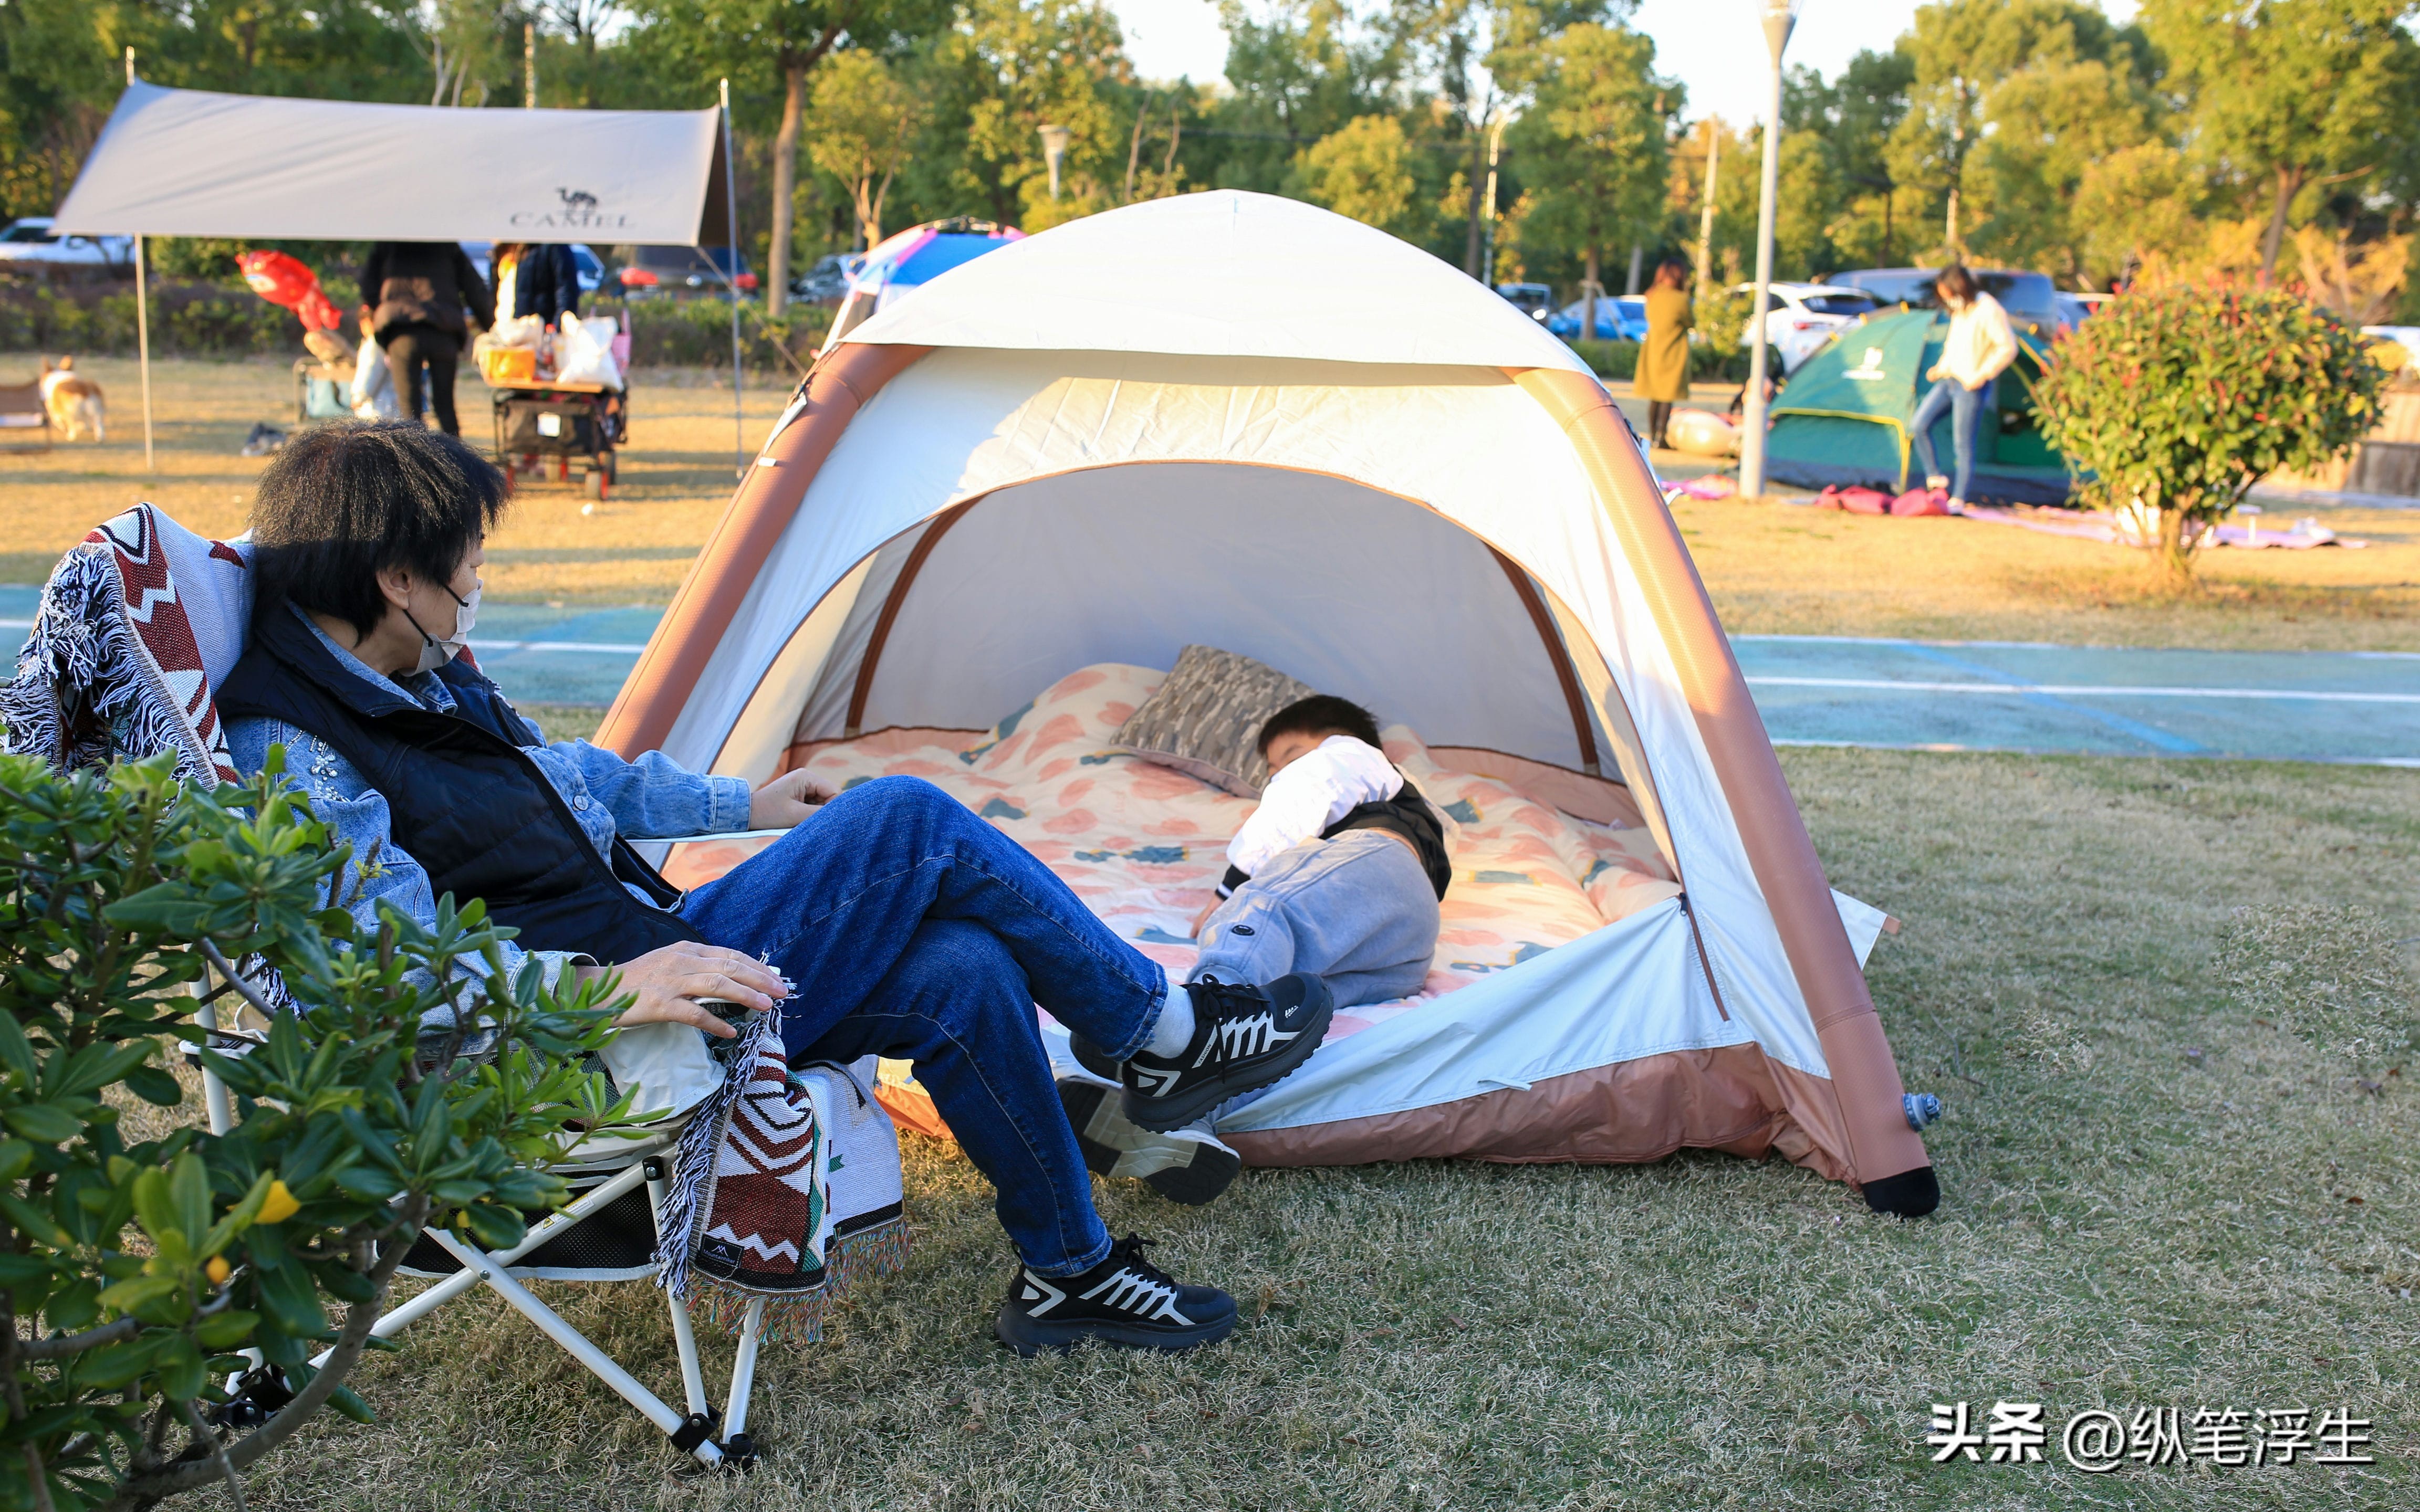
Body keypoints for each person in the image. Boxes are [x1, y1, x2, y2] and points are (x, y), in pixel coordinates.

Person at [215, 420, 1337, 1357]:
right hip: (581, 1044)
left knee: (965, 968)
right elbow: (389, 973)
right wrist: (600, 994)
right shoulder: (300, 753)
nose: (474, 590)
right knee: (903, 819)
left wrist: (739, 806)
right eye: (463, 568)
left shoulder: (405, 677)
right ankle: (1161, 1032)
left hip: (642, 963)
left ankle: (1069, 1271)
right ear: (394, 578)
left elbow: (559, 778)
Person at [1061, 695, 1449, 1203]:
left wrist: (1229, 889)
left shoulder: (1349, 757)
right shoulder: (1416, 822)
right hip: (1402, 952)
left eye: (1285, 758)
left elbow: (1304, 794)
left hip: (1378, 865)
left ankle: (1174, 1029)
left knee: (1262, 907)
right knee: (1267, 1020)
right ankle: (1190, 1123)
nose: (1276, 779)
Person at [1912, 264, 2017, 513]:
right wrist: (1940, 367)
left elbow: (2008, 348)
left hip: (1970, 385)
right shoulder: (1961, 309)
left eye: (1948, 293)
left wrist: (1982, 375)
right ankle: (1935, 478)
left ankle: (1958, 499)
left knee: (1963, 444)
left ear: (1960, 286)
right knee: (1919, 424)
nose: (1948, 299)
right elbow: (1954, 345)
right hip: (1948, 380)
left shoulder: (1988, 309)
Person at [358, 242, 493, 436]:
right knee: (445, 406)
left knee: (409, 411)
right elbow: (474, 288)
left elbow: (368, 286)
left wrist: (376, 311)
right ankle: (457, 462)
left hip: (402, 329)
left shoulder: (389, 243)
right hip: (443, 326)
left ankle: (413, 463)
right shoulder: (446, 245)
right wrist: (491, 325)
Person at [1636, 259, 1694, 449]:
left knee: (1655, 396)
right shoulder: (1681, 299)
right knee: (1667, 397)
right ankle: (1662, 437)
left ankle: (1653, 434)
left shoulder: (1652, 296)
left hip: (1653, 349)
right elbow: (1690, 321)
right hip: (1673, 351)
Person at [491, 242, 582, 330]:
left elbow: (566, 292)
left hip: (543, 329)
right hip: (516, 328)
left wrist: (556, 328)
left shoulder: (554, 246)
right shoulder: (516, 248)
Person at [347, 312, 400, 421]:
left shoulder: (374, 345)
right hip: (392, 405)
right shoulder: (391, 341)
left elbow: (370, 372)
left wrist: (360, 397)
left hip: (376, 409)